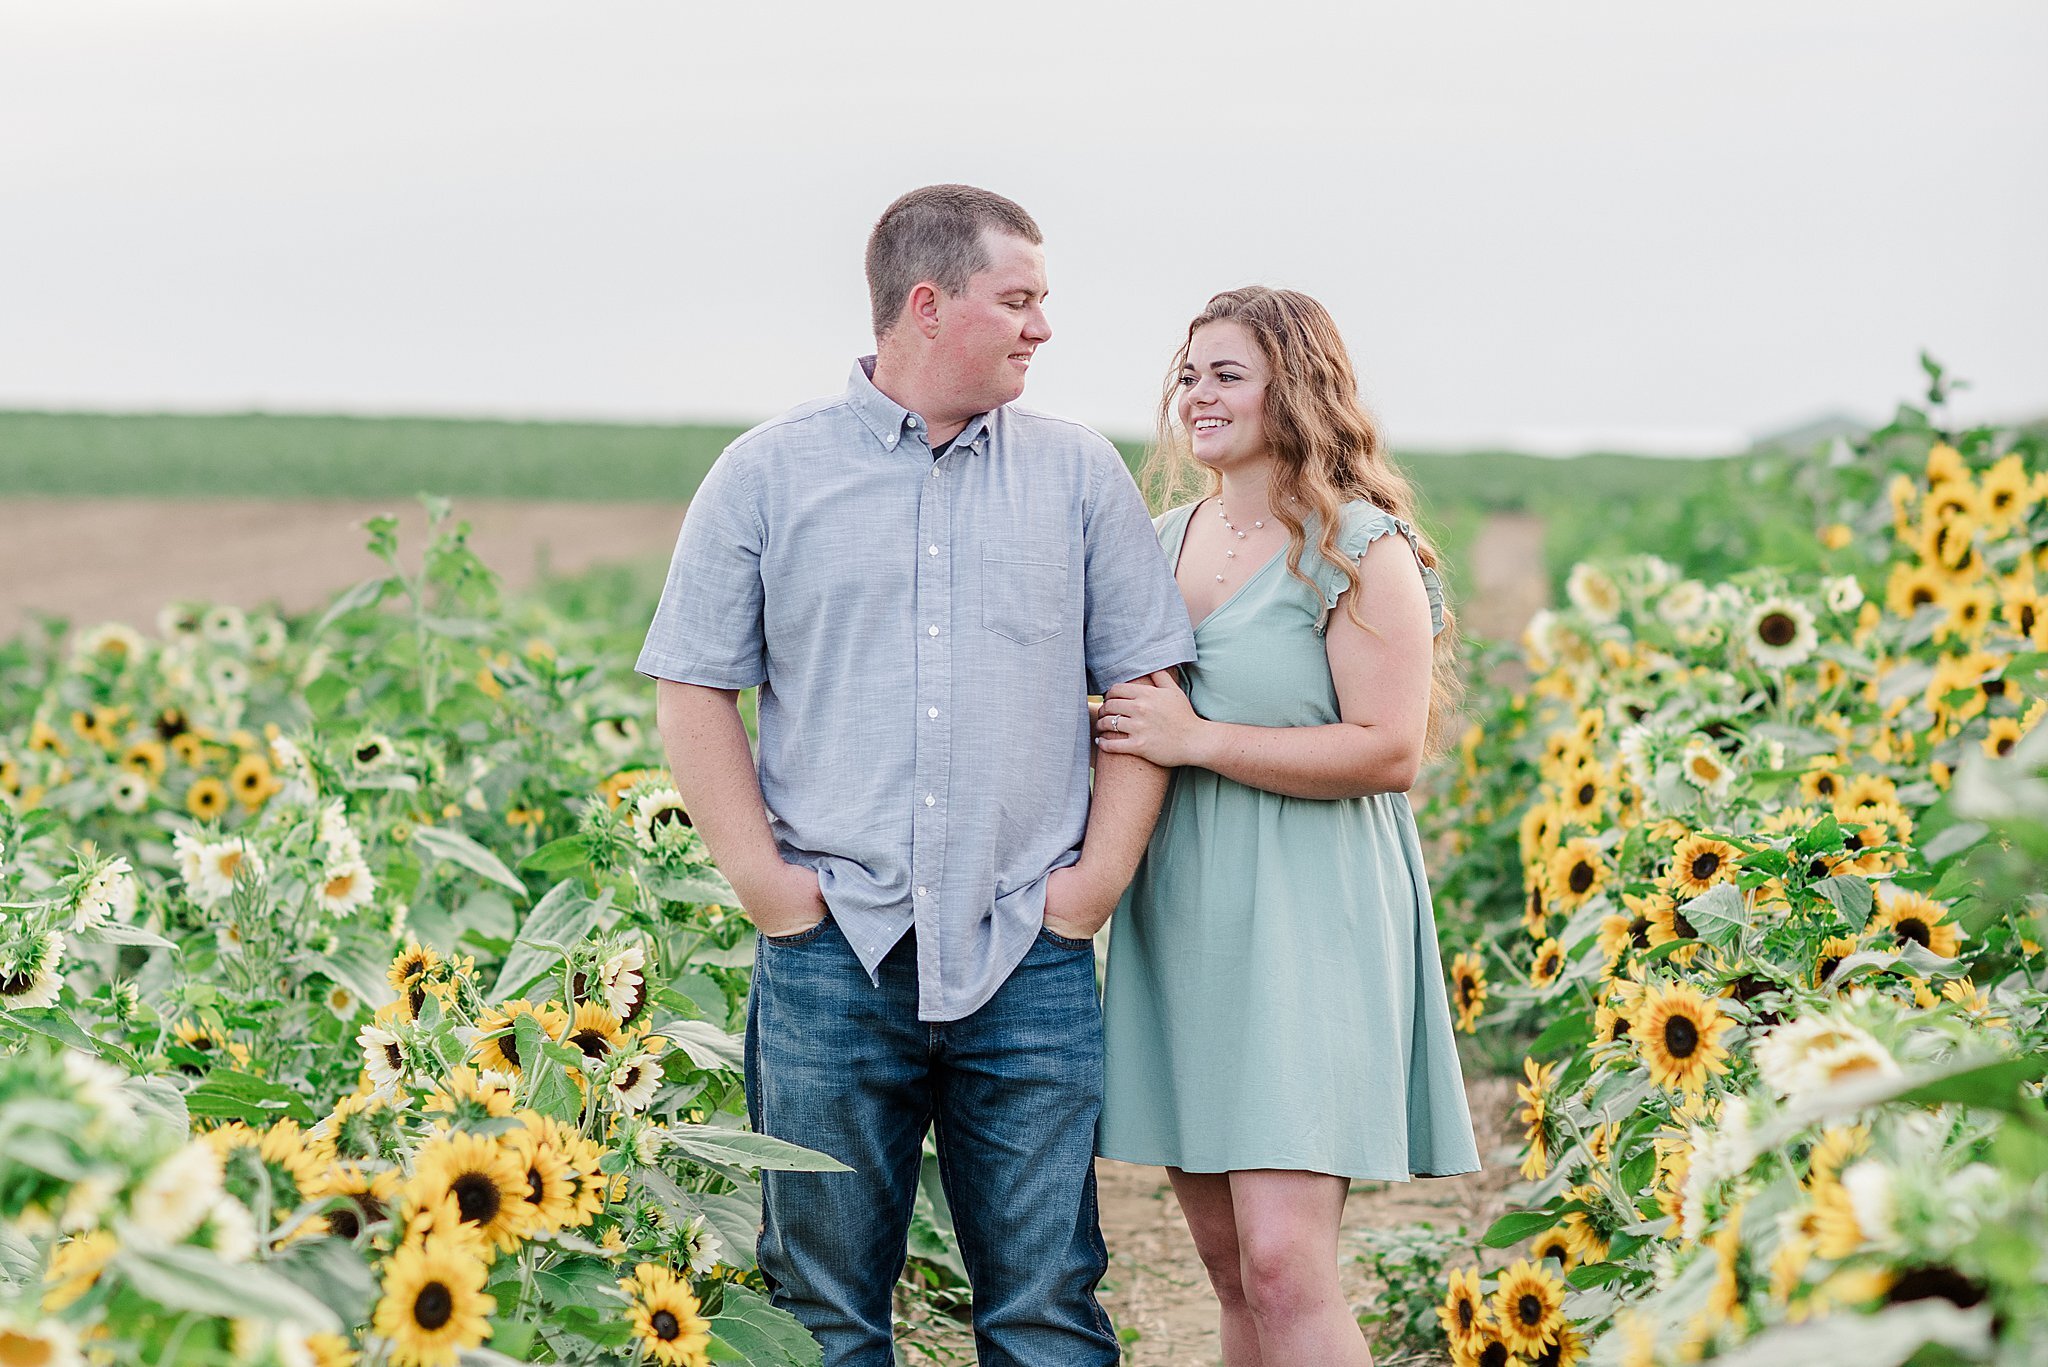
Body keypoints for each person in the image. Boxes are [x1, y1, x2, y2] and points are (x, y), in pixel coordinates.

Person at [637, 184, 1196, 1367]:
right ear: (927, 304)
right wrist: (768, 888)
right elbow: (692, 686)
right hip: (833, 950)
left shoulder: (1080, 475)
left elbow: (1146, 693)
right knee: (820, 1313)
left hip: (1025, 948)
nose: (1042, 325)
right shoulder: (764, 473)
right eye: (1020, 299)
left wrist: (1088, 890)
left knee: (1045, 1309)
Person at [1091, 287, 1481, 1366]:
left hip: (1310, 914)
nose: (1196, 394)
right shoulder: (1159, 536)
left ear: (1293, 387)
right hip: (1183, 916)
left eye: (1226, 373)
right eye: (1187, 372)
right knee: (1228, 1269)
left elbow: (1387, 749)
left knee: (1283, 1262)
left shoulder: (1358, 546)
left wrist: (1193, 737)